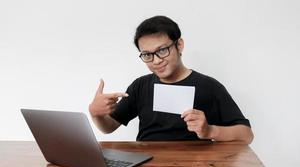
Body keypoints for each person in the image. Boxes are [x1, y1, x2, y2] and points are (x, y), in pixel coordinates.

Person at [89, 15, 254, 144]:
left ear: (179, 45)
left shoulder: (209, 86)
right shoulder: (140, 85)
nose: (156, 60)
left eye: (162, 50)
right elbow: (108, 127)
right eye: (147, 54)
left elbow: (246, 135)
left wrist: (210, 131)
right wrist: (95, 114)